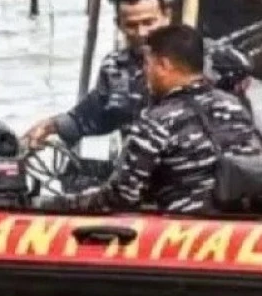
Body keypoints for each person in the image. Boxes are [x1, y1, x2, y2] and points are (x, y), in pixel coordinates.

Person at [53, 25, 262, 215]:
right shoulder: (234, 106)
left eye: (147, 63)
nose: (145, 72)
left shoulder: (156, 121)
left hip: (184, 233)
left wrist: (59, 204)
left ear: (163, 65)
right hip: (242, 228)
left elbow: (122, 197)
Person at [23, 0, 254, 148]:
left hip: (208, 174)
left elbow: (246, 72)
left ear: (166, 15)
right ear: (119, 24)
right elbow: (94, 114)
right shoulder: (116, 68)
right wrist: (50, 125)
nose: (142, 33)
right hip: (143, 171)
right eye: (132, 25)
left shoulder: (206, 54)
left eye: (149, 22)